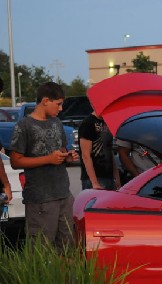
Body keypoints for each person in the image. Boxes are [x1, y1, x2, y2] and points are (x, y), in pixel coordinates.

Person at [9, 82, 78, 248]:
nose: (61, 109)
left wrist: (67, 156)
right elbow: (15, 161)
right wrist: (48, 159)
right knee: (42, 250)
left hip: (64, 194)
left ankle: (66, 275)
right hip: (40, 199)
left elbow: (60, 149)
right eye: (58, 104)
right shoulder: (24, 125)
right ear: (45, 100)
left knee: (68, 248)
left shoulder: (56, 123)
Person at [78, 112, 120, 190]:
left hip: (109, 176)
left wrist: (116, 175)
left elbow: (109, 150)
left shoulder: (107, 122)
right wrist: (94, 183)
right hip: (94, 177)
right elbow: (85, 155)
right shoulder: (88, 123)